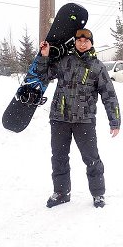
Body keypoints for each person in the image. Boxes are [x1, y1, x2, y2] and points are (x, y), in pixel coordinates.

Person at [36, 28, 121, 208]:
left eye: (86, 41)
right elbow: (44, 77)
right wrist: (44, 56)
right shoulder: (64, 60)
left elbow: (109, 96)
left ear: (91, 43)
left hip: (85, 121)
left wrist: (115, 121)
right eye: (79, 40)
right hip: (60, 118)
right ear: (75, 42)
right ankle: (61, 192)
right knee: (59, 157)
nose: (82, 43)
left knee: (92, 159)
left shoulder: (98, 67)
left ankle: (98, 194)